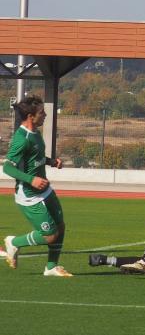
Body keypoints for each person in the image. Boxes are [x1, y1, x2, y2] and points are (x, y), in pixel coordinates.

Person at [1, 95, 71, 277]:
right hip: (29, 195)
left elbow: (34, 158)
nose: (45, 115)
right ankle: (14, 242)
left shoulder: (36, 134)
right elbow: (7, 166)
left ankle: (51, 267)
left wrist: (51, 161)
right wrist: (31, 180)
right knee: (49, 235)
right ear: (31, 116)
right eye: (41, 113)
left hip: (45, 190)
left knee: (60, 226)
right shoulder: (21, 138)